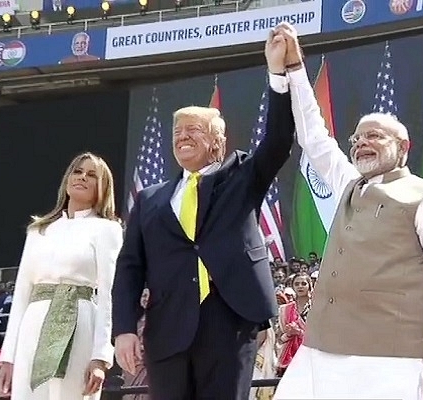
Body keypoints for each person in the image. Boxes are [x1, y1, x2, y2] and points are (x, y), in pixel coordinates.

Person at [269, 22, 423, 400]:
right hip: (320, 352)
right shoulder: (349, 183)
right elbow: (313, 136)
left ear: (404, 146)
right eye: (357, 138)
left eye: (374, 136)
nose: (362, 143)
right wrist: (295, 69)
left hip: (389, 362)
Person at [111, 29, 295, 400]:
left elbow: (277, 141)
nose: (182, 137)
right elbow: (130, 267)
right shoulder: (150, 199)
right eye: (177, 132)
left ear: (218, 141)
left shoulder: (241, 177)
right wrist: (124, 328)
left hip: (229, 321)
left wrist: (277, 73)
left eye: (193, 130)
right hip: (168, 327)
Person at [0, 152, 123, 399]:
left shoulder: (107, 229)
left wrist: (100, 358)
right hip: (34, 323)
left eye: (91, 175)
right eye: (77, 171)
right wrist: (7, 359)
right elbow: (21, 294)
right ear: (67, 179)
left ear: (103, 187)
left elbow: (108, 295)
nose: (82, 177)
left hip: (80, 320)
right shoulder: (39, 230)